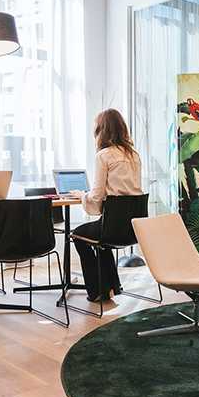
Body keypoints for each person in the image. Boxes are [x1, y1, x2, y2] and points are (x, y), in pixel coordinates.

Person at [72, 109, 143, 302]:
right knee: (102, 239)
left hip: (112, 226)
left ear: (101, 130)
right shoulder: (134, 155)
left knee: (78, 236)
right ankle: (112, 287)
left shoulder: (104, 155)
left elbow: (96, 195)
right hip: (133, 228)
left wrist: (81, 196)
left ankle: (97, 290)